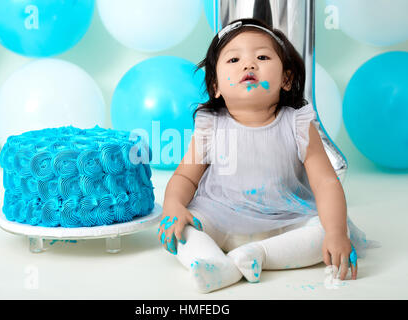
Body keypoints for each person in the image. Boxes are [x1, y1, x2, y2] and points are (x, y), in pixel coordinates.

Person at [157, 18, 377, 293]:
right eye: (234, 59)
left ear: (286, 78)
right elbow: (185, 177)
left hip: (285, 220)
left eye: (262, 56)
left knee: (324, 229)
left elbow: (325, 183)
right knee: (181, 231)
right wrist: (174, 206)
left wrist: (336, 232)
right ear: (216, 86)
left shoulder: (297, 123)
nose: (249, 65)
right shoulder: (211, 124)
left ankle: (258, 253)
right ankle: (212, 263)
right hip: (219, 215)